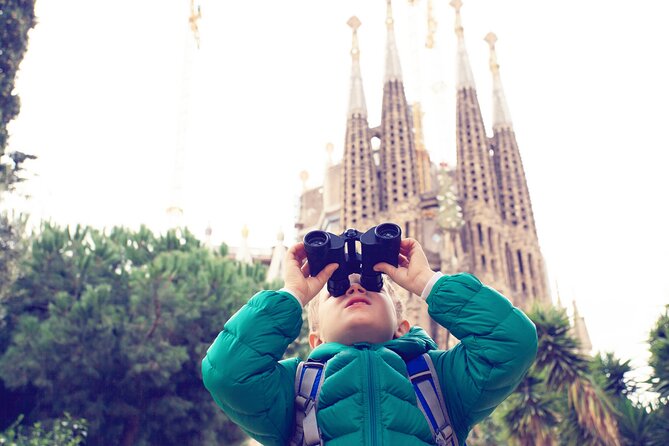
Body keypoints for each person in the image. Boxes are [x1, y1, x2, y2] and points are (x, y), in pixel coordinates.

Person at [201, 237, 537, 445]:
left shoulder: (439, 379)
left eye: (373, 286)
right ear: (315, 341)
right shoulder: (295, 389)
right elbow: (228, 373)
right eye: (337, 290)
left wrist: (427, 282)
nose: (355, 287)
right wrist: (293, 294)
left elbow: (512, 342)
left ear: (401, 327)